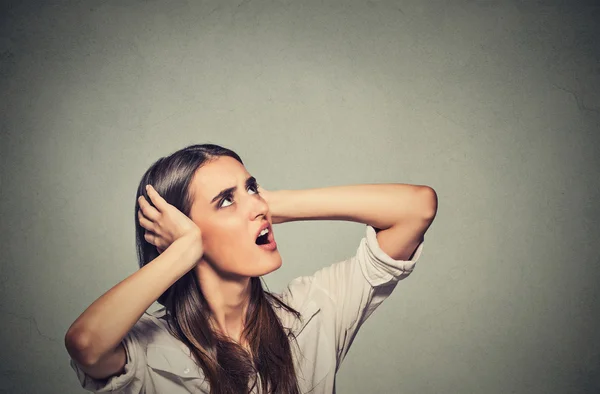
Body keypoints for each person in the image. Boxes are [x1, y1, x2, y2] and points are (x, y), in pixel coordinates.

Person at [64, 143, 437, 394]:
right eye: (225, 200)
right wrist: (183, 252)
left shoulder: (314, 311)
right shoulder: (147, 352)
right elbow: (86, 344)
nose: (255, 205)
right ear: (182, 231)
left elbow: (416, 208)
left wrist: (271, 205)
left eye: (251, 186)